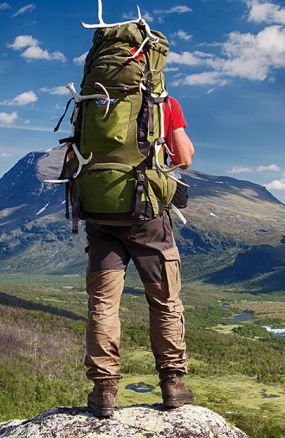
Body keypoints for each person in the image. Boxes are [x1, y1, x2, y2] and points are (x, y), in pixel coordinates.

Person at [83, 96, 195, 418]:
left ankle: (103, 391)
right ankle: (173, 385)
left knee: (103, 304)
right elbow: (184, 157)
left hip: (101, 218)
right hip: (149, 218)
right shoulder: (164, 102)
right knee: (165, 301)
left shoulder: (92, 100)